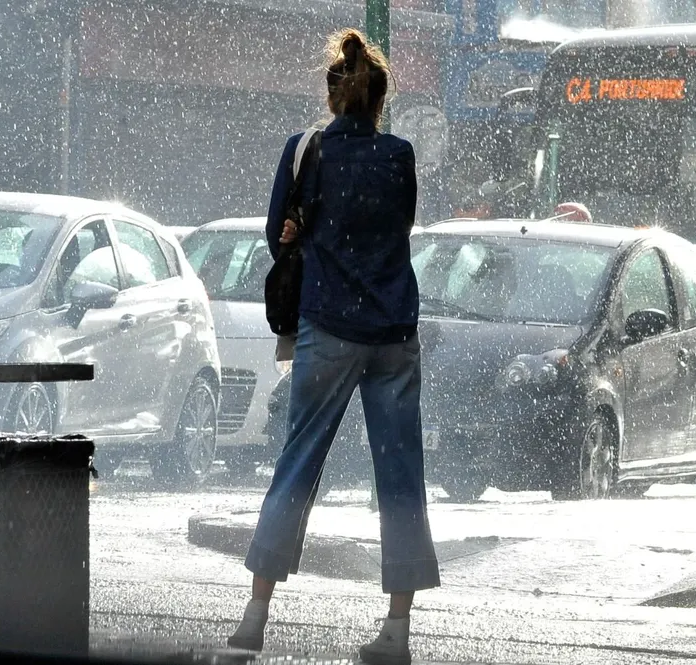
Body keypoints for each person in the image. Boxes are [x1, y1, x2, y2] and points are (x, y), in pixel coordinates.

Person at [226, 28, 439, 665]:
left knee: (297, 466)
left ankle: (254, 620)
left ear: (332, 94)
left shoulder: (305, 152)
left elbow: (276, 238)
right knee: (401, 477)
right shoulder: (400, 155)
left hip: (329, 327)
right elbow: (397, 225)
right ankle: (397, 633)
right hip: (394, 332)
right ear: (378, 101)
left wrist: (310, 229)